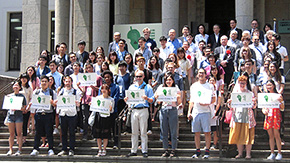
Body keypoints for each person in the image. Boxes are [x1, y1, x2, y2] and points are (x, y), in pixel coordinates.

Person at [125, 70, 154, 158]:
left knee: (143, 131)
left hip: (144, 109)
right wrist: (126, 100)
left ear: (143, 76)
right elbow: (128, 100)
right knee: (134, 132)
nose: (138, 78)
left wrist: (147, 98)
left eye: (140, 76)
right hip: (134, 110)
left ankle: (144, 150)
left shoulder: (148, 87)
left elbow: (152, 100)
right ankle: (133, 150)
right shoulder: (131, 87)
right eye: (137, 76)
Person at [187, 68, 215, 159]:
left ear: (205, 74)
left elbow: (214, 99)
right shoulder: (194, 86)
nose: (201, 74)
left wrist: (207, 103)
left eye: (203, 73)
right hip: (196, 112)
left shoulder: (210, 86)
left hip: (206, 111)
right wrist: (189, 112)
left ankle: (207, 151)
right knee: (196, 133)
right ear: (197, 75)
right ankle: (198, 150)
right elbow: (191, 100)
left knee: (207, 132)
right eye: (199, 73)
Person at [227, 74, 256, 159]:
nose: (242, 85)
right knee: (238, 135)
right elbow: (231, 107)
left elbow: (253, 106)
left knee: (248, 136)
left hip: (248, 117)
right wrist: (230, 102)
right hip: (237, 116)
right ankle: (239, 153)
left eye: (244, 83)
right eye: (240, 83)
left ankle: (248, 154)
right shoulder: (235, 94)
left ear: (246, 83)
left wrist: (254, 102)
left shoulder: (250, 94)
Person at [155, 72, 182, 158]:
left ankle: (173, 149)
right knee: (164, 131)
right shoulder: (161, 87)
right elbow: (156, 97)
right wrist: (158, 96)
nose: (168, 81)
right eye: (167, 80)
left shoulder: (175, 87)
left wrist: (178, 97)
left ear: (173, 80)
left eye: (170, 80)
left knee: (173, 131)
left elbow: (179, 101)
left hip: (173, 109)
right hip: (163, 109)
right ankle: (165, 149)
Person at [30, 75, 57, 156]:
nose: (44, 83)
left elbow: (56, 105)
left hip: (48, 114)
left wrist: (52, 102)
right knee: (38, 132)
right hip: (39, 114)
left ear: (49, 83)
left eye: (46, 81)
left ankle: (51, 149)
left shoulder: (52, 92)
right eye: (42, 81)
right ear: (40, 83)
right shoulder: (36, 92)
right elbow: (33, 103)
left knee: (49, 132)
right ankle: (35, 149)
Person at [77, 62, 102, 140]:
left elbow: (101, 89)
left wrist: (95, 88)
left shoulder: (98, 77)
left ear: (92, 68)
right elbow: (83, 90)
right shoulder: (84, 77)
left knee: (94, 117)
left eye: (89, 68)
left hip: (94, 99)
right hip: (85, 100)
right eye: (87, 68)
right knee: (85, 118)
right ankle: (85, 134)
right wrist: (78, 86)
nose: (88, 69)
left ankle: (94, 134)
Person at [57, 76, 80, 156]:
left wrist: (77, 103)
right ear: (64, 82)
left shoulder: (75, 92)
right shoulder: (61, 91)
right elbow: (58, 102)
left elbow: (78, 103)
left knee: (72, 133)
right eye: (66, 81)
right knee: (63, 133)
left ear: (71, 82)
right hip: (63, 114)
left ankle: (71, 149)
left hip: (72, 114)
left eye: (69, 81)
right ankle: (64, 149)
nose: (67, 83)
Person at [262, 79, 284, 160]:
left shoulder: (278, 95)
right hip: (268, 116)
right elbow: (263, 107)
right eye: (267, 85)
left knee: (276, 135)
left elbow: (282, 108)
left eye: (270, 85)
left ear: (274, 86)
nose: (269, 87)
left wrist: (281, 102)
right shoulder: (265, 96)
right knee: (270, 136)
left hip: (276, 115)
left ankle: (279, 152)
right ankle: (272, 152)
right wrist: (264, 111)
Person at [91, 84, 114, 157]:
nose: (104, 91)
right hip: (99, 117)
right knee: (98, 134)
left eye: (105, 89)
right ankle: (99, 149)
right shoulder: (98, 98)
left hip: (106, 118)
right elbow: (94, 107)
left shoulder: (111, 99)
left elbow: (112, 110)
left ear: (108, 90)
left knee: (105, 134)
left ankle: (104, 149)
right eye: (102, 89)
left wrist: (110, 109)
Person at [99, 70, 120, 149]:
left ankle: (115, 143)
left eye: (108, 77)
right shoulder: (101, 87)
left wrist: (109, 104)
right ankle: (105, 143)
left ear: (111, 77)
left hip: (113, 110)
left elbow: (116, 98)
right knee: (104, 128)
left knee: (114, 128)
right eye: (105, 77)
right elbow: (99, 97)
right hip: (103, 111)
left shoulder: (116, 87)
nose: (106, 78)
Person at [5, 81, 27, 156]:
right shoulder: (9, 96)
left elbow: (24, 108)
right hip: (11, 116)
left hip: (18, 115)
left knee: (19, 133)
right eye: (14, 85)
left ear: (20, 87)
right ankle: (10, 149)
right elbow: (6, 105)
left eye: (17, 85)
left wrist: (18, 108)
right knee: (11, 133)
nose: (16, 87)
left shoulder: (22, 96)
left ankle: (19, 149)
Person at [19, 73, 33, 144]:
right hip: (18, 109)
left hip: (26, 109)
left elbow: (31, 98)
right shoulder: (18, 87)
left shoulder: (29, 88)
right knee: (18, 125)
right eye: (22, 78)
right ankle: (18, 139)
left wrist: (27, 108)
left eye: (25, 78)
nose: (24, 79)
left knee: (25, 124)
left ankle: (24, 139)